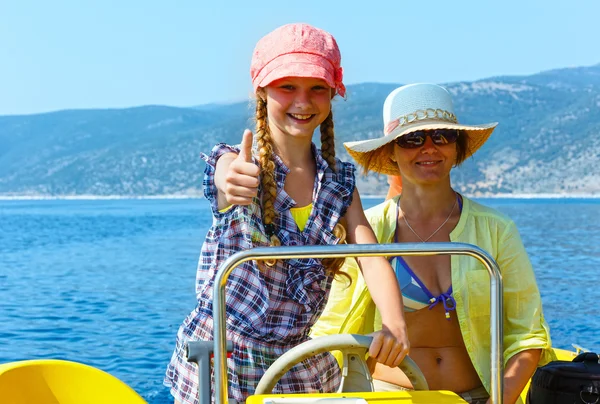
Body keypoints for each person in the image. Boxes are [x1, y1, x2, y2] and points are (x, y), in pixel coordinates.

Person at [164, 23, 410, 404]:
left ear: (332, 95)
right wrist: (232, 181)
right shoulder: (237, 162)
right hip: (223, 360)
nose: (303, 101)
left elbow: (371, 257)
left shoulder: (339, 184)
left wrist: (394, 324)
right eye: (287, 87)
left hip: (295, 362)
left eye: (317, 88)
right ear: (261, 92)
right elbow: (226, 175)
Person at [311, 83, 554, 404]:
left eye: (442, 135)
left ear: (457, 147)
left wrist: (500, 400)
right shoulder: (366, 230)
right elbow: (332, 326)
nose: (428, 147)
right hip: (387, 397)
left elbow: (527, 334)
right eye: (412, 139)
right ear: (391, 152)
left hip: (480, 397)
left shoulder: (497, 230)